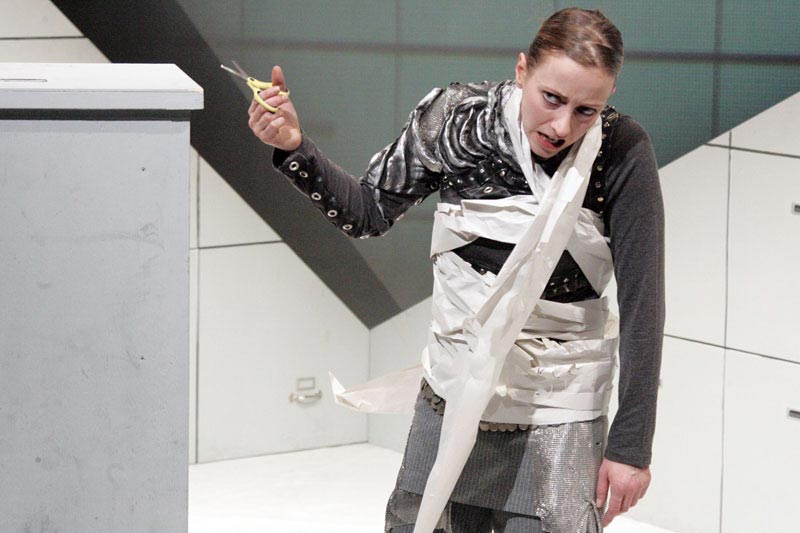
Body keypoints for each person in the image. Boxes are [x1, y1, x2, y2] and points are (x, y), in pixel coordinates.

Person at [248, 7, 664, 533]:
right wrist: (294, 147)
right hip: (455, 383)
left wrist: (631, 448)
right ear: (522, 70)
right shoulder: (457, 119)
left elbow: (644, 303)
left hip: (560, 403)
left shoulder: (622, 150)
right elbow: (368, 212)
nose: (562, 126)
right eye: (551, 99)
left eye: (586, 110)